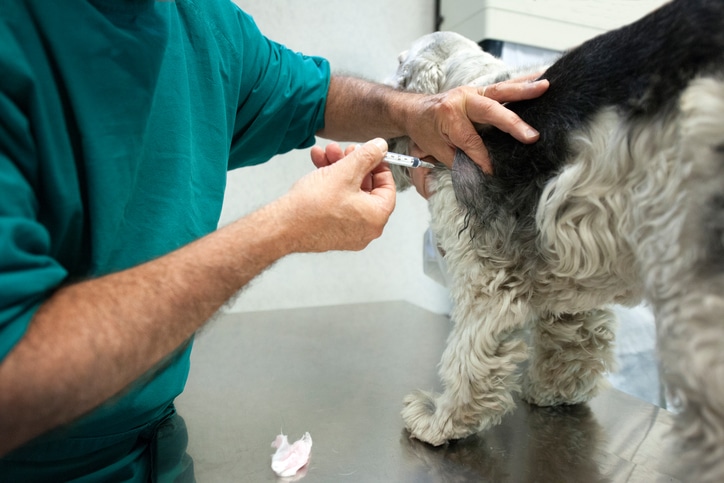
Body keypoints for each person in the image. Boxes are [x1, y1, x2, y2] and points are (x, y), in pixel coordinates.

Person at [0, 0, 548, 478]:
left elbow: (310, 93)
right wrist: (283, 229)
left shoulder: (197, 19)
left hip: (155, 443)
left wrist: (413, 111)